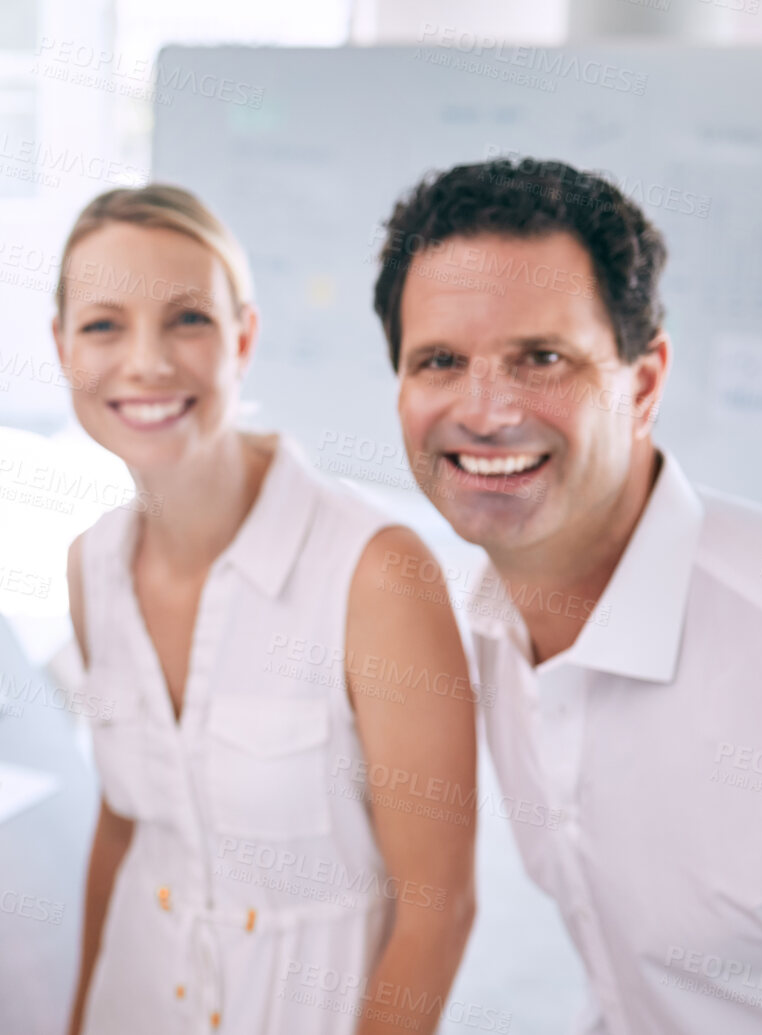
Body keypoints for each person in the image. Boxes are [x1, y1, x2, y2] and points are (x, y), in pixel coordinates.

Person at [378, 157, 762, 1033]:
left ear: (644, 383)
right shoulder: (493, 627)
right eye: (439, 360)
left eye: (542, 358)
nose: (484, 411)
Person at [57, 186, 478, 1035]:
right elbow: (124, 823)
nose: (144, 362)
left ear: (242, 339)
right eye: (102, 324)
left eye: (187, 320)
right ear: (62, 348)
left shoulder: (376, 574)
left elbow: (437, 911)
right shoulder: (92, 564)